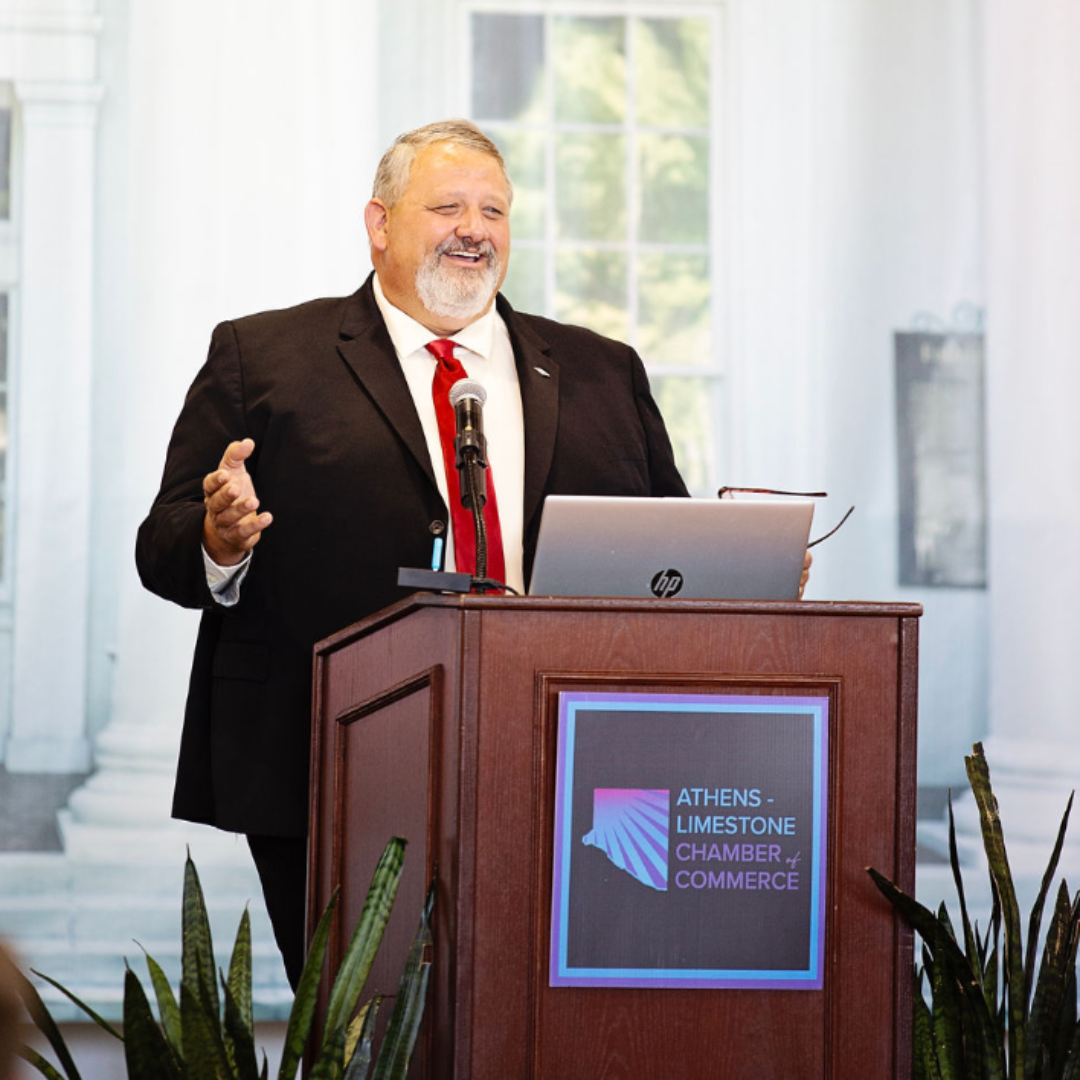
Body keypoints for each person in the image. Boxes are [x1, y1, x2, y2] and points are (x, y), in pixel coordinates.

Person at [137, 119, 690, 987]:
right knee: (365, 1029)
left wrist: (742, 584)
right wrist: (218, 538)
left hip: (566, 765)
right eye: (448, 206)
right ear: (380, 223)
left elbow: (671, 553)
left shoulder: (599, 371)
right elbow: (162, 546)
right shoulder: (265, 355)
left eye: (495, 211)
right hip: (328, 761)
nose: (475, 228)